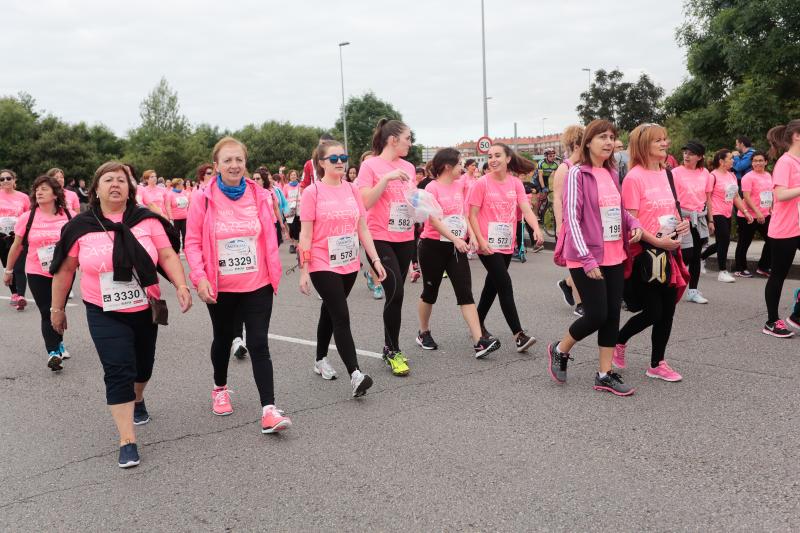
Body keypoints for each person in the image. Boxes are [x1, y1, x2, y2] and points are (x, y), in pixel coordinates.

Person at [49, 161, 191, 468]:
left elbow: (166, 254)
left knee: (143, 367)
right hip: (103, 310)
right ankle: (127, 439)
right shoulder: (80, 227)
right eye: (109, 180)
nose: (116, 184)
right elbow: (65, 270)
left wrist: (181, 284)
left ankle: (138, 398)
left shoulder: (147, 221)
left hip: (144, 307)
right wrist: (56, 308)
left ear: (130, 189)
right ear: (96, 189)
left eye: (122, 180)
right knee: (118, 370)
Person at [185, 136, 291, 433]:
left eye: (239, 160)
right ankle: (219, 388)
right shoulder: (202, 197)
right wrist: (200, 277)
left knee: (258, 342)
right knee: (222, 338)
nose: (234, 165)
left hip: (257, 282)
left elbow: (269, 236)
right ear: (216, 165)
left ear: (246, 163)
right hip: (220, 286)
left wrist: (275, 271)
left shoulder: (260, 195)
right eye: (228, 160)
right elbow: (192, 242)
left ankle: (269, 409)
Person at [549, 119, 642, 394]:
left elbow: (617, 209)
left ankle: (604, 373)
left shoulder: (612, 173)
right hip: (585, 256)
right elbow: (572, 220)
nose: (609, 142)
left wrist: (633, 224)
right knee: (597, 315)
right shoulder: (578, 173)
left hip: (614, 253)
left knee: (612, 315)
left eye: (612, 137)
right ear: (588, 141)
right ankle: (560, 349)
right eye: (602, 136)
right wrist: (587, 259)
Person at [298, 139, 386, 396]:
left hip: (348, 262)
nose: (340, 163)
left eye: (343, 158)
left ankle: (319, 359)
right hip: (321, 263)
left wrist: (375, 260)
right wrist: (304, 270)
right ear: (321, 163)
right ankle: (356, 374)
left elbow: (362, 228)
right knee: (341, 315)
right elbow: (305, 235)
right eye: (333, 159)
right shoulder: (311, 193)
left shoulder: (352, 189)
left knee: (329, 310)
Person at [615, 123, 691, 382]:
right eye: (658, 140)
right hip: (644, 252)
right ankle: (618, 341)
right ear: (642, 145)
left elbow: (673, 209)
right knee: (653, 311)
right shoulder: (634, 178)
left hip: (669, 249)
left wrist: (683, 224)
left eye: (665, 139)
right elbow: (630, 223)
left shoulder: (668, 173)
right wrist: (657, 242)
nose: (664, 143)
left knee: (668, 310)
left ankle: (657, 363)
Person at [416, 148, 500, 358]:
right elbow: (433, 220)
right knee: (430, 293)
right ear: (447, 166)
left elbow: (463, 214)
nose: (462, 168)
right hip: (432, 247)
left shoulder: (459, 186)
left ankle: (479, 341)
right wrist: (455, 238)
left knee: (465, 293)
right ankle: (423, 332)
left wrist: (470, 235)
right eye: (459, 164)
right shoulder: (431, 188)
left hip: (456, 247)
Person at [355, 119, 418, 376]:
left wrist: (423, 203)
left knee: (395, 296)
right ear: (393, 140)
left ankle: (387, 346)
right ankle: (393, 350)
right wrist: (388, 177)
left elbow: (410, 201)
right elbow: (365, 202)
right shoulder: (369, 166)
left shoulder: (409, 167)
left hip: (405, 236)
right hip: (379, 237)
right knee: (396, 291)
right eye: (407, 139)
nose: (410, 144)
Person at [467, 142, 544, 351]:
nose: (493, 159)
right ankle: (519, 335)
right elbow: (471, 214)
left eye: (498, 155)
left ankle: (477, 323)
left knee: (492, 286)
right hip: (487, 244)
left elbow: (526, 209)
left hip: (507, 243)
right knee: (504, 284)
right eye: (490, 156)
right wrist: (480, 241)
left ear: (508, 159)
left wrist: (536, 228)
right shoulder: (481, 183)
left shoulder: (515, 184)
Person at [3, 175, 73, 370]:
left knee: (59, 309)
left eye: (44, 188)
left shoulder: (68, 215)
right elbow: (17, 246)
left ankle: (59, 342)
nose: (39, 192)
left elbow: (79, 242)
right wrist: (8, 270)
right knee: (46, 311)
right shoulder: (28, 217)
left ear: (55, 193)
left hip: (63, 272)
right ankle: (52, 352)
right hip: (36, 271)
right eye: (37, 189)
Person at [762, 121, 800, 337]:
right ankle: (771, 321)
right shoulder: (785, 163)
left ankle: (798, 313)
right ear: (796, 136)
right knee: (778, 275)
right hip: (784, 229)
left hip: (799, 225)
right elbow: (781, 195)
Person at [700, 149, 753, 282]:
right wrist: (710, 219)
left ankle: (700, 257)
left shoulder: (732, 176)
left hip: (728, 212)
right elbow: (707, 198)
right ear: (722, 161)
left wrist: (745, 212)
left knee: (721, 243)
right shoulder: (713, 176)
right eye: (730, 158)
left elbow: (735, 197)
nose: (733, 160)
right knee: (725, 241)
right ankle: (722, 271)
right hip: (716, 212)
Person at [673, 140, 712, 303]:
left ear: (700, 157)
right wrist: (676, 218)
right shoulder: (675, 173)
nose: (686, 156)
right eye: (685, 152)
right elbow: (672, 198)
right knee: (686, 254)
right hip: (681, 218)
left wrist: (711, 220)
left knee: (696, 255)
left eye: (691, 153)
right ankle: (672, 283)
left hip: (699, 218)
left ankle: (693, 291)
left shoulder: (705, 174)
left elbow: (708, 198)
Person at [552, 126, 586, 317]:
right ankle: (581, 304)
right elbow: (557, 198)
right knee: (577, 261)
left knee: (585, 261)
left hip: (586, 221)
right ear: (575, 145)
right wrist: (559, 225)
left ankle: (567, 283)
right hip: (570, 221)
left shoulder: (586, 166)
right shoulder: (564, 168)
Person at [733, 151, 773, 277]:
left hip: (765, 214)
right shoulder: (748, 177)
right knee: (744, 243)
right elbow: (746, 197)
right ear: (752, 163)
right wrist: (757, 212)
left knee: (772, 240)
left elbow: (769, 194)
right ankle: (740, 268)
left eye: (761, 160)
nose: (758, 163)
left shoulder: (768, 175)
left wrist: (771, 208)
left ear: (766, 162)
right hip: (748, 216)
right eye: (755, 161)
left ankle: (763, 267)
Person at [0, 168, 31, 311]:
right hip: (1, 237)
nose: (5, 181)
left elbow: (29, 216)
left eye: (8, 178)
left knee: (18, 267)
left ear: (14, 180)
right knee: (8, 267)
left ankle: (21, 296)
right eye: (2, 179)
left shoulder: (23, 197)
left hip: (18, 237)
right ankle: (14, 294)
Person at [168, 178, 191, 251]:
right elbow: (168, 206)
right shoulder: (170, 194)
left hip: (185, 217)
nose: (183, 185)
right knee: (176, 235)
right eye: (181, 184)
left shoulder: (184, 192)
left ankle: (185, 248)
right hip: (175, 219)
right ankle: (176, 249)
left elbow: (188, 204)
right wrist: (170, 217)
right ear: (177, 185)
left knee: (185, 234)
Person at [283, 169, 302, 253]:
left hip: (300, 209)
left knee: (299, 227)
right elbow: (283, 198)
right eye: (292, 175)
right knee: (292, 227)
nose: (293, 176)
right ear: (289, 177)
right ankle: (293, 243)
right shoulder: (286, 186)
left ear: (297, 176)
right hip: (290, 210)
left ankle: (296, 245)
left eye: (294, 175)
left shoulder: (301, 185)